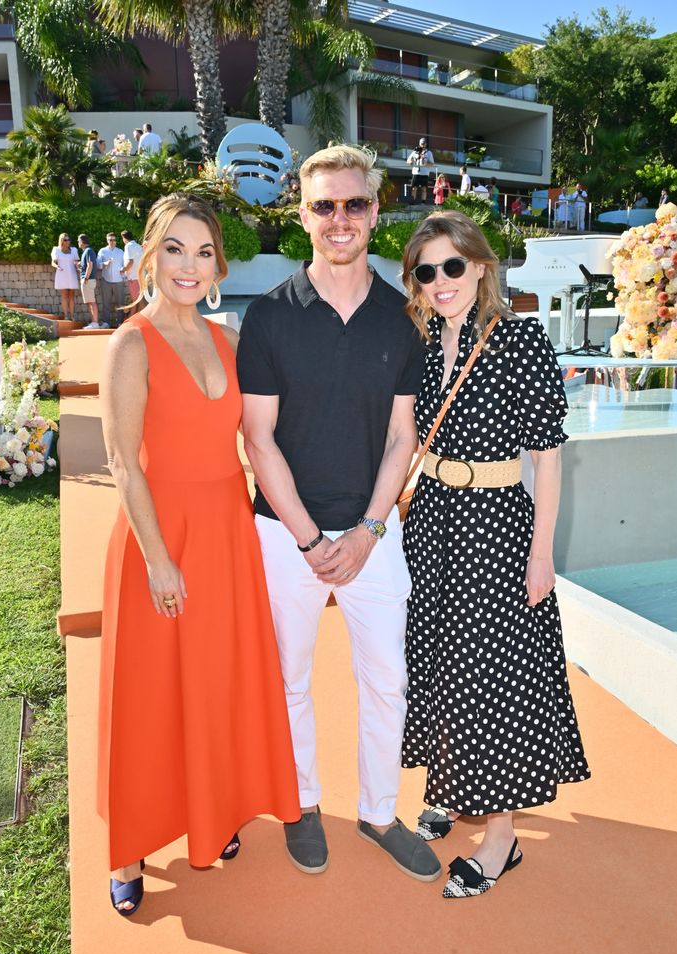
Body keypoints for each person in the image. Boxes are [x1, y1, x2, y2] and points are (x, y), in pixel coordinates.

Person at [237, 144, 441, 883]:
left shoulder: (402, 316)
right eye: (325, 205)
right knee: (287, 678)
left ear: (376, 212)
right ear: (302, 215)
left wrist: (365, 531)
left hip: (372, 533)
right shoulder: (267, 316)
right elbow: (257, 438)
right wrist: (307, 539)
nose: (340, 218)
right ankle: (302, 803)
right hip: (282, 532)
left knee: (385, 678)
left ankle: (380, 813)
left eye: (354, 203)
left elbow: (401, 436)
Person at [98, 194, 300, 915]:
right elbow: (123, 461)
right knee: (150, 695)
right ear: (150, 254)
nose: (189, 265)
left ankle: (211, 815)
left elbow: (259, 439)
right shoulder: (129, 343)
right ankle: (127, 849)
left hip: (224, 534)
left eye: (203, 252)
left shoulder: (226, 340)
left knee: (213, 682)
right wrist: (158, 559)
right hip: (161, 537)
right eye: (174, 249)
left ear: (218, 265)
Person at [400, 211, 591, 899]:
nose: (442, 281)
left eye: (454, 266)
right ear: (415, 282)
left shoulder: (519, 341)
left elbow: (547, 461)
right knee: (441, 659)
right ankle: (449, 789)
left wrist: (541, 556)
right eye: (427, 270)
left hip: (496, 526)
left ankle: (501, 837)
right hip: (433, 523)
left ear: (480, 267)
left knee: (493, 676)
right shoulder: (418, 342)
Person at [96, 232, 126, 329]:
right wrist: (105, 264)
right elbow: (97, 264)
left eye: (113, 240)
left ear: (116, 241)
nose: (112, 242)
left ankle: (120, 322)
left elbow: (124, 265)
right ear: (107, 240)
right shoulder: (102, 251)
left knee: (120, 303)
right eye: (110, 240)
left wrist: (124, 277)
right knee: (106, 303)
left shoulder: (120, 252)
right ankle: (106, 323)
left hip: (119, 280)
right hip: (106, 280)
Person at [77, 234, 104, 329]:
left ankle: (95, 323)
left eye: (78, 241)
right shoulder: (86, 251)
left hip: (88, 280)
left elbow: (90, 265)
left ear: (82, 241)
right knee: (89, 302)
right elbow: (87, 266)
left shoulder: (88, 250)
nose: (78, 243)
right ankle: (93, 322)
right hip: (87, 279)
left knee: (91, 302)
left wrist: (86, 278)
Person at [51, 232, 79, 321]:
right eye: (66, 240)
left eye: (69, 239)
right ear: (62, 241)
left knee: (71, 296)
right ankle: (66, 315)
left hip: (72, 274)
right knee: (64, 296)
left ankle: (72, 315)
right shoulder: (56, 249)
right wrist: (57, 266)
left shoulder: (74, 250)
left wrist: (78, 265)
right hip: (62, 273)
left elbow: (76, 262)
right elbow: (53, 262)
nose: (68, 241)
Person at [119, 229, 144, 314]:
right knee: (139, 299)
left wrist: (123, 269)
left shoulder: (128, 246)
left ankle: (133, 319)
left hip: (133, 278)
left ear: (124, 238)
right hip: (140, 276)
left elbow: (130, 262)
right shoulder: (138, 246)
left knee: (136, 300)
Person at [407, 137, 434, 203]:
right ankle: (412, 202)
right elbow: (408, 160)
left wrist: (425, 161)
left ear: (426, 144)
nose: (422, 145)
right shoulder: (414, 151)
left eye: (424, 143)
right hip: (416, 172)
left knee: (424, 189)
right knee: (414, 188)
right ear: (419, 144)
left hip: (425, 173)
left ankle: (423, 202)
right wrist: (410, 162)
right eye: (421, 144)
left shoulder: (429, 153)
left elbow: (432, 164)